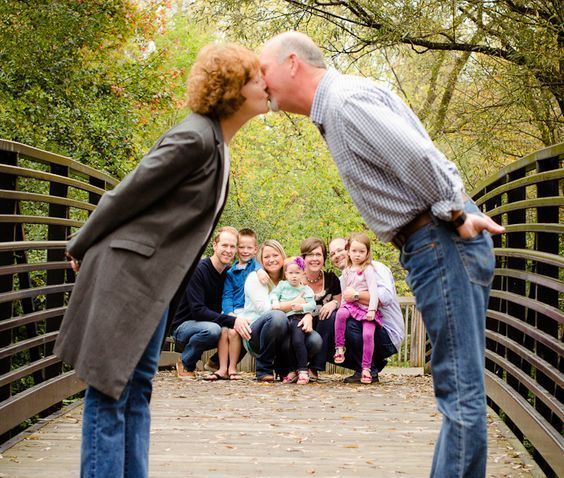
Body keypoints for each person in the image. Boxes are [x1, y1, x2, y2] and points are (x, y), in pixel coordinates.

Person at [260, 32, 504, 477]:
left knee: (459, 389)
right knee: (457, 387)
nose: (262, 84)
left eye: (264, 71)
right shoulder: (340, 105)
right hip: (433, 240)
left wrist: (455, 211)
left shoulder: (344, 105)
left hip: (440, 239)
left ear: (292, 63)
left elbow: (418, 157)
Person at [54, 42, 269, 478]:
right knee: (110, 392)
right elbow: (128, 193)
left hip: (153, 287)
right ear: (231, 89)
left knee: (137, 389)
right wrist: (79, 244)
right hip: (126, 276)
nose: (265, 85)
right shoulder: (194, 136)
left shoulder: (216, 143)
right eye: (254, 79)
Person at [240, 240, 322, 381]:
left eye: (275, 255)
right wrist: (292, 304)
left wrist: (308, 314)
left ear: (282, 256)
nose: (271, 260)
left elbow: (307, 301)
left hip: (285, 331)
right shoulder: (256, 278)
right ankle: (263, 369)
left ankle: (288, 369)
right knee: (278, 317)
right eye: (266, 257)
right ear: (261, 260)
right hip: (255, 334)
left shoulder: (291, 276)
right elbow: (265, 309)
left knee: (314, 340)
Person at [170, 226, 242, 381]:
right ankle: (185, 363)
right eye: (224, 245)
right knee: (213, 330)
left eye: (232, 246)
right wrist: (233, 320)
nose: (228, 250)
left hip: (208, 325)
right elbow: (198, 311)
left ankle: (215, 364)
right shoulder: (198, 270)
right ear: (215, 245)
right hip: (184, 328)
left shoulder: (229, 274)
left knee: (244, 328)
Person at [329, 237, 404, 381]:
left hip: (387, 334)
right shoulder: (343, 278)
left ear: (348, 249)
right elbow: (342, 300)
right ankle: (365, 367)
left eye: (340, 250)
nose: (337, 255)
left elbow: (385, 297)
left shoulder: (375, 268)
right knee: (335, 318)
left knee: (351, 323)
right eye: (332, 254)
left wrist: (356, 295)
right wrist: (333, 303)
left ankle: (370, 368)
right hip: (366, 327)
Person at [203, 228, 268, 375]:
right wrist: (229, 313)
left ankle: (232, 368)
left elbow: (258, 264)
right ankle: (221, 368)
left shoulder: (255, 267)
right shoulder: (230, 272)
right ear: (237, 248)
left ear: (255, 249)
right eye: (242, 247)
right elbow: (227, 296)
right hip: (233, 311)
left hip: (248, 311)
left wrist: (259, 270)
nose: (245, 251)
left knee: (233, 333)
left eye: (249, 247)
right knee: (223, 332)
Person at [334, 233, 381, 384]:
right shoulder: (346, 271)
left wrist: (372, 310)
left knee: (368, 335)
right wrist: (343, 306)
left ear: (367, 252)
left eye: (361, 251)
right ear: (348, 252)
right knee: (340, 313)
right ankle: (339, 348)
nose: (357, 255)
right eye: (354, 251)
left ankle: (366, 369)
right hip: (351, 306)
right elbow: (344, 292)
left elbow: (374, 292)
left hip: (367, 309)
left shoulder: (368, 270)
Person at [299, 237, 341, 381]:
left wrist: (333, 303)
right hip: (300, 330)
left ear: (324, 258)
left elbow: (340, 301)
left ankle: (315, 367)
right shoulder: (295, 278)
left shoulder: (331, 279)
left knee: (332, 315)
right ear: (304, 257)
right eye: (310, 255)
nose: (315, 259)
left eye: (319, 254)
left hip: (324, 332)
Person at [270, 256, 317, 384]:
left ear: (303, 273)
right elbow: (273, 294)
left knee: (297, 342)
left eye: (297, 273)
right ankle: (291, 371)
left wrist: (302, 306)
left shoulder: (305, 289)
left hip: (297, 318)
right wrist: (275, 302)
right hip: (284, 320)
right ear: (285, 274)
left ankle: (302, 370)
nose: (294, 276)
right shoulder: (282, 285)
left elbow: (313, 305)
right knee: (286, 345)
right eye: (291, 273)